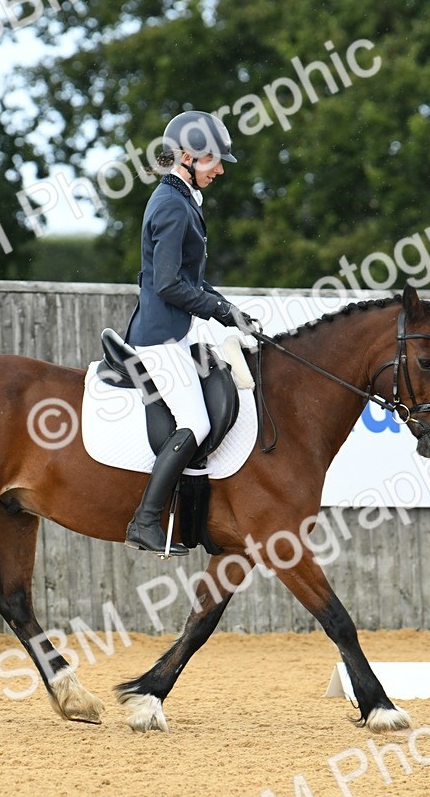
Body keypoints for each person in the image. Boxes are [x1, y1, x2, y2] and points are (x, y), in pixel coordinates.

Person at [123, 111, 261, 556]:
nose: (220, 169)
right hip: (159, 337)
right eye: (212, 161)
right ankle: (145, 522)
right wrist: (221, 311)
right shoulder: (170, 204)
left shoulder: (181, 199)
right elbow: (167, 283)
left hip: (178, 332)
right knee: (196, 423)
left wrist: (230, 311)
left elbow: (193, 281)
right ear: (186, 157)